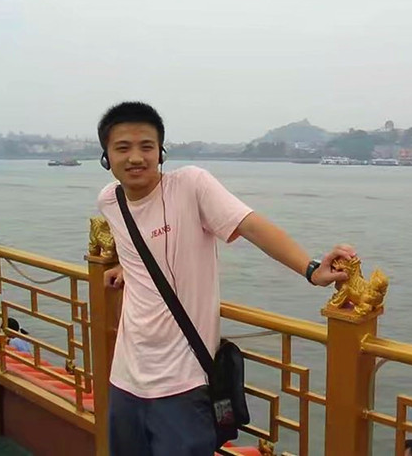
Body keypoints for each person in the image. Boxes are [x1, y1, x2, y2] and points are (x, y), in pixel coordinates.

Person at [96, 102, 355, 456]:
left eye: (147, 146)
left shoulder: (191, 186)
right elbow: (138, 244)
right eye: (123, 148)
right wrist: (127, 267)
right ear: (106, 156)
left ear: (161, 152)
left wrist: (310, 270)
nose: (136, 157)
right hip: (125, 380)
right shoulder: (110, 201)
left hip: (184, 384)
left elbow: (251, 225)